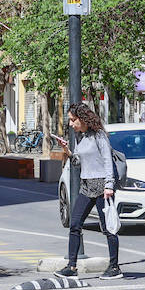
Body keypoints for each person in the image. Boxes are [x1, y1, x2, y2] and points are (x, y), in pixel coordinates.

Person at [52, 103, 122, 280]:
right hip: (86, 185)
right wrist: (67, 150)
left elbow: (107, 161)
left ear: (83, 119)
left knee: (108, 228)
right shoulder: (79, 136)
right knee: (75, 224)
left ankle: (114, 267)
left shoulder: (99, 135)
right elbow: (77, 164)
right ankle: (71, 266)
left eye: (73, 120)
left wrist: (109, 185)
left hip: (102, 186)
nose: (71, 124)